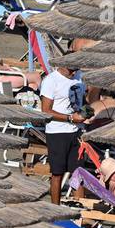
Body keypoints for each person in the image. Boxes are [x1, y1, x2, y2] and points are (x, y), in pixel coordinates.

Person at [40, 59, 90, 205]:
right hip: (57, 132)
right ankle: (55, 208)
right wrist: (69, 118)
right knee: (57, 174)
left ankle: (80, 211)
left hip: (77, 131)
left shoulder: (79, 76)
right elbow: (46, 111)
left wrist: (88, 114)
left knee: (78, 172)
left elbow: (83, 102)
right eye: (71, 70)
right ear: (62, 64)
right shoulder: (51, 81)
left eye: (76, 69)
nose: (74, 73)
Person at [0, 13, 41, 94]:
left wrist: (4, 67)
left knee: (32, 83)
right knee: (36, 76)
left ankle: (29, 100)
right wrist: (6, 68)